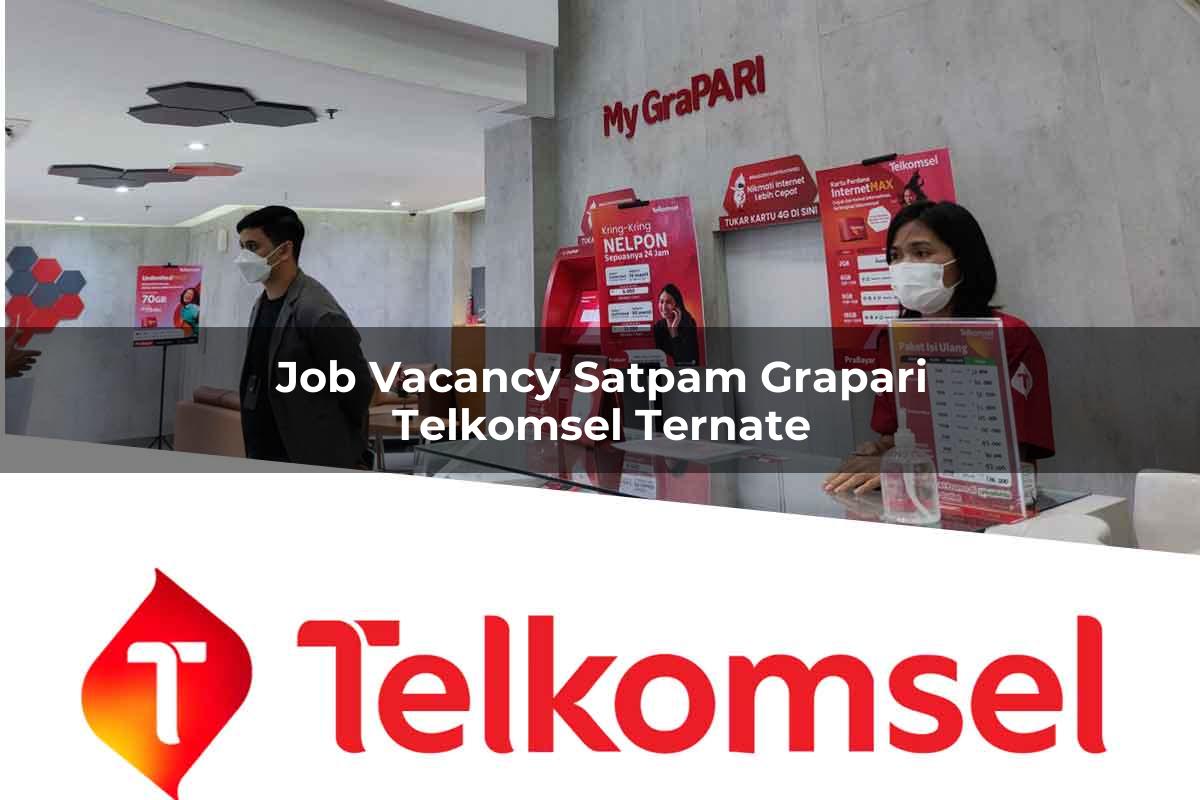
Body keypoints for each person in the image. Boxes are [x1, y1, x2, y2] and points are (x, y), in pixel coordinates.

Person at [825, 201, 1055, 495]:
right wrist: (879, 453)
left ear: (963, 260)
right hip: (913, 502)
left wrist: (903, 465)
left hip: (988, 500)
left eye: (921, 253)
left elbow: (1013, 455)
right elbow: (895, 434)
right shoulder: (893, 341)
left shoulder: (1009, 337)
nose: (904, 266)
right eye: (895, 256)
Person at [235, 206, 374, 468]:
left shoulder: (317, 312)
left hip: (312, 456)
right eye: (242, 247)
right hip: (266, 449)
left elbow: (357, 387)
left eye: (253, 247)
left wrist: (329, 438)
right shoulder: (262, 304)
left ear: (284, 250)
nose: (244, 257)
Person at [652, 283, 700, 366]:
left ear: (677, 305)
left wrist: (674, 331)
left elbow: (686, 361)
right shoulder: (658, 327)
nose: (663, 307)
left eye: (668, 302)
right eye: (661, 302)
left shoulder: (688, 323)